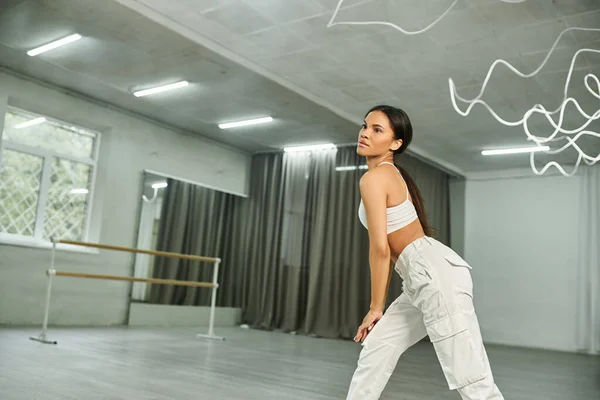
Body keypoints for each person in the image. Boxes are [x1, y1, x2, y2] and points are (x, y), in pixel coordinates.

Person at [346, 105, 504, 399]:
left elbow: (381, 248)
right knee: (376, 351)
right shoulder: (384, 175)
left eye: (377, 129)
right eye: (365, 126)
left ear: (396, 143)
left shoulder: (376, 178)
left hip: (433, 276)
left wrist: (375, 307)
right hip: (421, 277)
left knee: (470, 376)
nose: (365, 133)